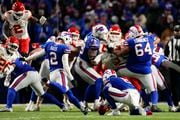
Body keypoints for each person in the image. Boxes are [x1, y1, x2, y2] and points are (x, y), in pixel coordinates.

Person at [25, 32, 88, 115]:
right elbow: (65, 65)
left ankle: (77, 107)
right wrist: (71, 78)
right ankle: (81, 107)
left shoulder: (49, 44)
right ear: (66, 39)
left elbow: (38, 54)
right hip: (60, 72)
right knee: (67, 92)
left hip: (52, 73)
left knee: (62, 90)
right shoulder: (64, 47)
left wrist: (26, 59)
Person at [115, 25, 161, 112]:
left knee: (114, 71)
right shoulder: (150, 38)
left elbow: (121, 53)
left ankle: (110, 95)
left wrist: (113, 51)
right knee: (153, 89)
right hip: (146, 71)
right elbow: (157, 39)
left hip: (131, 69)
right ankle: (154, 105)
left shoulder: (131, 41)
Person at [0, 58, 67, 112]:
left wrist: (6, 73)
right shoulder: (20, 60)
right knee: (42, 94)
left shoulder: (14, 60)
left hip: (27, 74)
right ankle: (61, 105)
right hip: (35, 74)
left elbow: (12, 66)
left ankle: (8, 107)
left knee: (12, 88)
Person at [74, 35, 103, 110]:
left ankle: (85, 103)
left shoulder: (91, 43)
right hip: (82, 64)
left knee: (93, 83)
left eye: (95, 49)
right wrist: (95, 61)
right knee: (98, 79)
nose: (93, 51)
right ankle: (96, 102)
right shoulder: (85, 48)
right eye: (91, 49)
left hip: (82, 64)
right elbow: (91, 62)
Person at [165, 25, 180, 109]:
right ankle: (176, 103)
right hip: (173, 64)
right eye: (176, 30)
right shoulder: (170, 41)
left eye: (178, 30)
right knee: (174, 85)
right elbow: (166, 53)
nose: (177, 32)